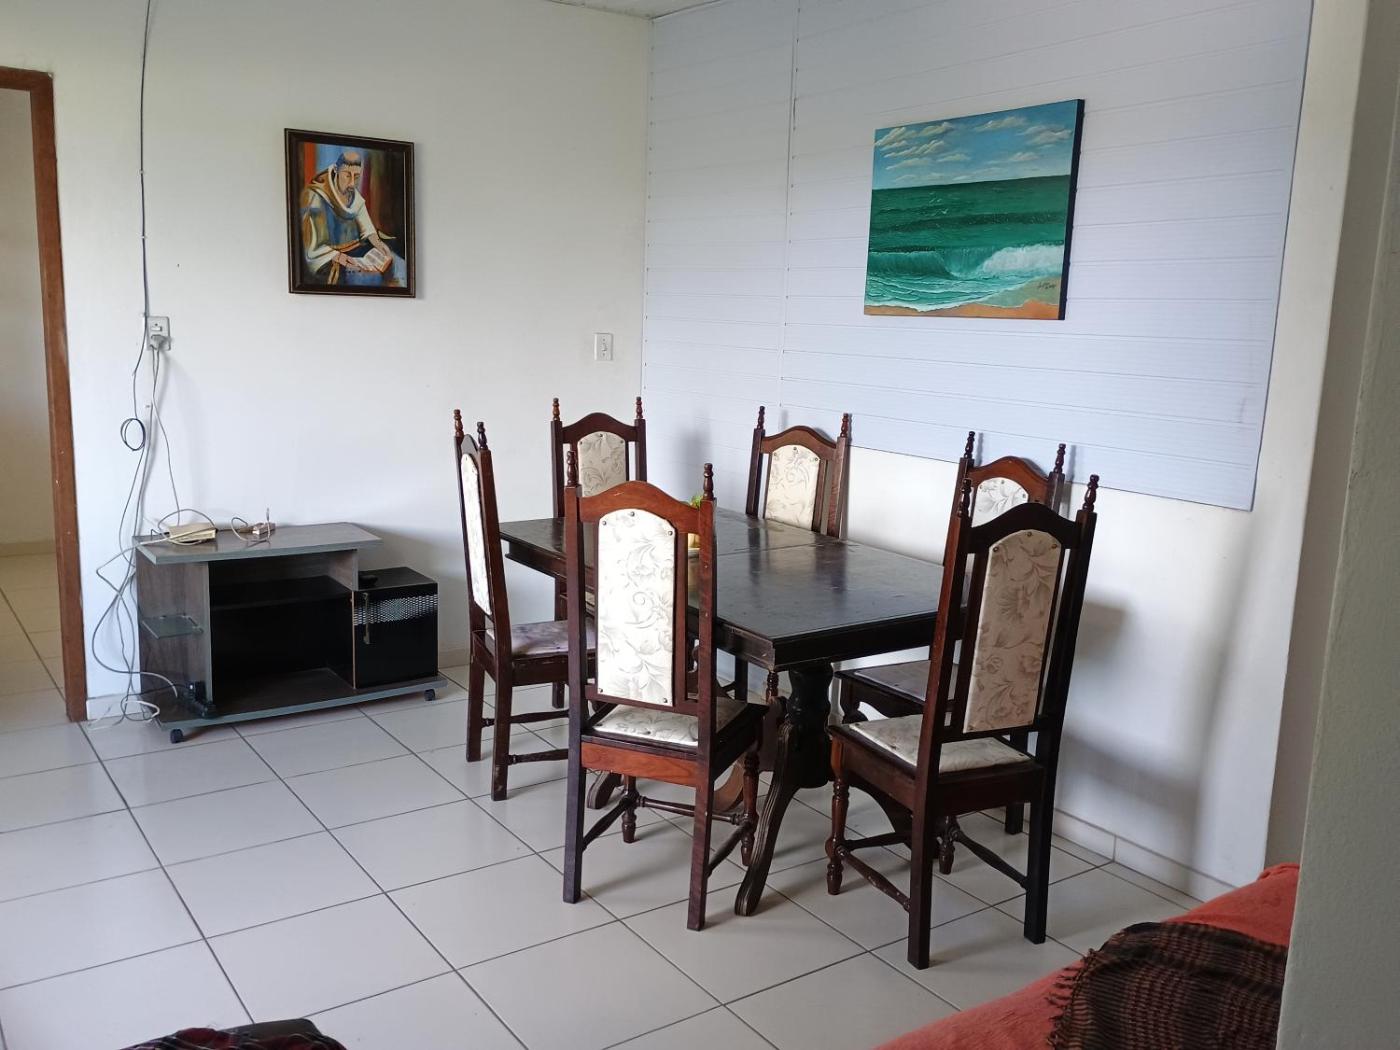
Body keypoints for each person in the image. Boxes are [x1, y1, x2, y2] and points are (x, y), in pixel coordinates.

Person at [298, 149, 406, 287]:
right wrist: (342, 258)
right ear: (336, 170)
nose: (352, 183)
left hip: (354, 250)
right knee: (363, 277)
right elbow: (314, 248)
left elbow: (367, 228)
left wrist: (379, 244)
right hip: (328, 257)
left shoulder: (352, 193)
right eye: (347, 175)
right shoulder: (316, 197)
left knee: (396, 261)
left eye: (356, 176)